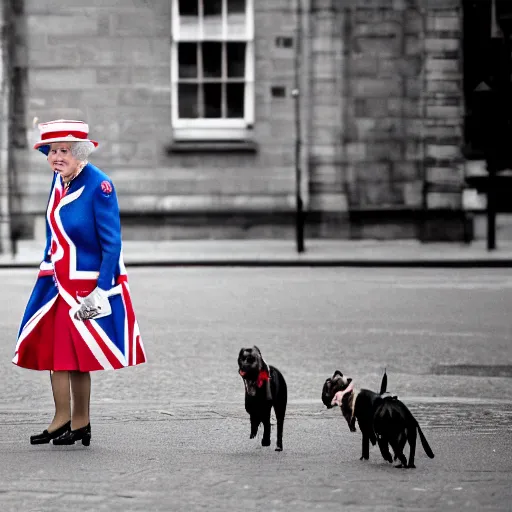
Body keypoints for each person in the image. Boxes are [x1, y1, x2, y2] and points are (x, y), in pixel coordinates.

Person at [12, 119, 147, 447]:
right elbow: (53, 229)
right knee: (55, 353)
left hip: (85, 285)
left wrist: (102, 288)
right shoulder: (58, 181)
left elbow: (112, 243)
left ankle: (81, 421)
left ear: (80, 153)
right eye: (52, 151)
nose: (57, 157)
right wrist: (47, 261)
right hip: (55, 282)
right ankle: (62, 420)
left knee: (76, 357)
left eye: (64, 151)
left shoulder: (100, 185)